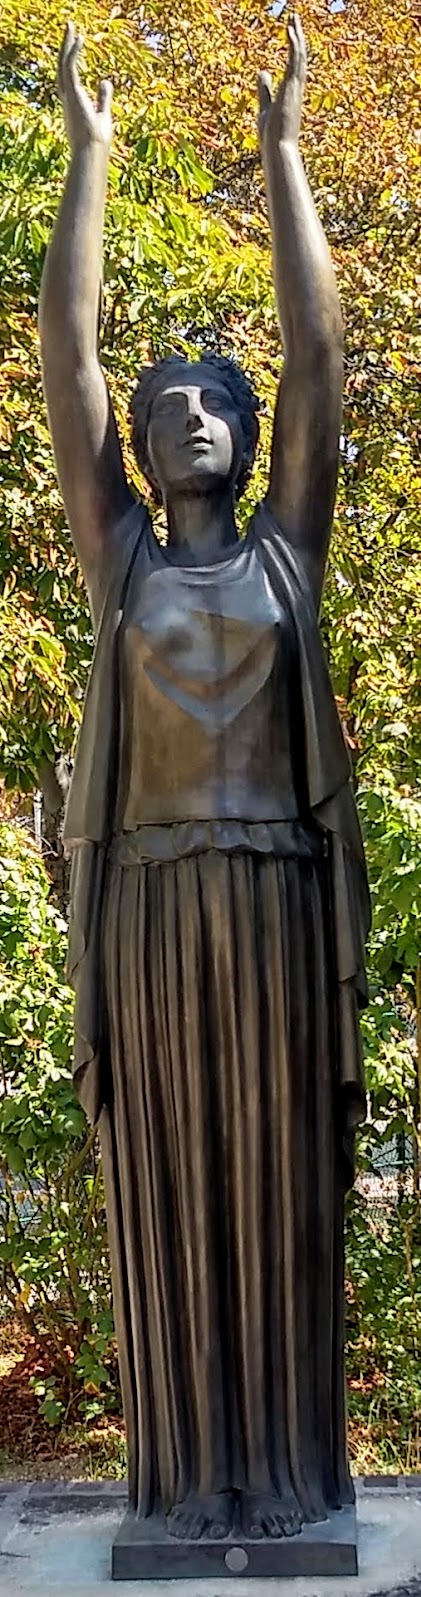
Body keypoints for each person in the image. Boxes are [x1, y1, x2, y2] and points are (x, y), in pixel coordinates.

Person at [39, 12, 370, 1542]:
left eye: (210, 402)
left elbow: (318, 355)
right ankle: (185, 1485)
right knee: (173, 1190)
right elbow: (68, 358)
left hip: (276, 904)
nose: (185, 414)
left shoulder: (286, 552)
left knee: (278, 1188)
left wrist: (284, 151)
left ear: (244, 438)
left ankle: (287, 1480)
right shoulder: (118, 564)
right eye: (163, 403)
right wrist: (88, 162)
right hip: (152, 912)